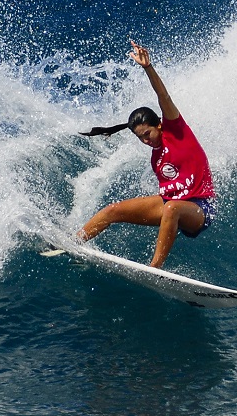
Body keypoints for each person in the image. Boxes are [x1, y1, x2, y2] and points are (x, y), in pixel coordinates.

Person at [77, 40, 216, 268]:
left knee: (172, 207)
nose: (145, 140)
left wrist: (147, 68)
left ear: (159, 125)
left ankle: (154, 269)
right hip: (172, 204)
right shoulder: (156, 156)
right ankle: (74, 242)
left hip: (201, 208)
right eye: (140, 137)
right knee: (113, 210)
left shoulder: (176, 131)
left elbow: (164, 97)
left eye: (147, 133)